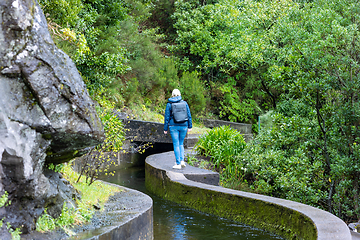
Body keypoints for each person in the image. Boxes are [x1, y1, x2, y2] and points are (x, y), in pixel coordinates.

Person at [164, 89, 192, 169]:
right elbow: (189, 115)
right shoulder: (184, 103)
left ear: (172, 95)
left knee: (176, 144)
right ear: (179, 94)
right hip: (184, 126)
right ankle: (182, 161)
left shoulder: (169, 104)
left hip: (173, 126)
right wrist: (190, 126)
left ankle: (178, 163)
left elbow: (167, 117)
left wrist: (165, 128)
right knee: (181, 143)